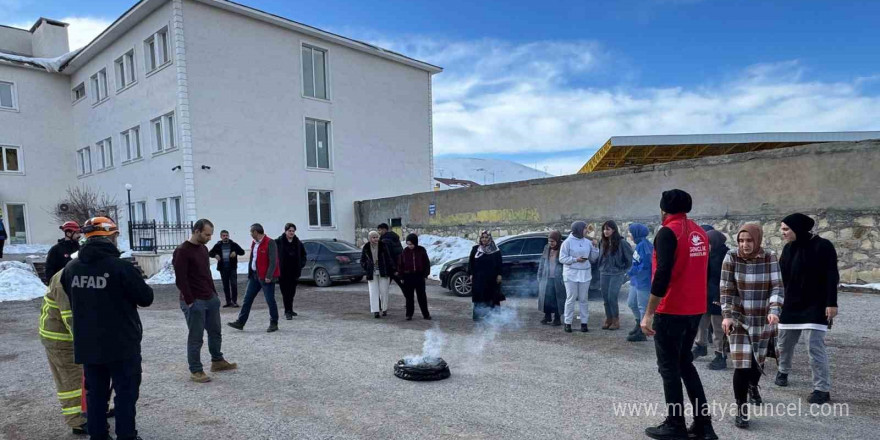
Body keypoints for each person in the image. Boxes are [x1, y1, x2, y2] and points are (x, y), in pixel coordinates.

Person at [61, 217, 154, 440]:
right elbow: (146, 298)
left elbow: (69, 294)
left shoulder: (71, 268)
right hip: (121, 342)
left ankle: (98, 435)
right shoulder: (120, 267)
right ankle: (126, 435)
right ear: (110, 236)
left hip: (88, 342)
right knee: (125, 392)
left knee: (95, 394)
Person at [641, 190, 717, 440]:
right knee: (684, 363)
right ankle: (704, 425)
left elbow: (662, 273)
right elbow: (704, 271)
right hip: (695, 308)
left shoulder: (667, 232)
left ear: (663, 209)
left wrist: (649, 313)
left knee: (669, 368)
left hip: (671, 308)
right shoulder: (700, 232)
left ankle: (675, 424)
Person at [720, 223, 784, 429]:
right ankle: (741, 409)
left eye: (749, 240)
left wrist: (774, 310)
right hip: (738, 318)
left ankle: (753, 386)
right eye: (741, 240)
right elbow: (726, 288)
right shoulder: (731, 257)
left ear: (758, 240)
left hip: (763, 318)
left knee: (758, 360)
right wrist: (727, 315)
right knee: (741, 364)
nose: (745, 245)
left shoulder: (769, 257)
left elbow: (777, 286)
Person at [775, 213, 839, 405]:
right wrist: (776, 302)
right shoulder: (788, 249)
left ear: (798, 229)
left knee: (815, 347)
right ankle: (783, 371)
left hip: (816, 306)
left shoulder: (823, 246)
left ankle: (822, 389)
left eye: (786, 229)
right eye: (782, 229)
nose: (783, 233)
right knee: (784, 344)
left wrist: (831, 303)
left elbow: (831, 275)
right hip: (791, 305)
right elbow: (781, 277)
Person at [173, 219, 237, 383]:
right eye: (207, 234)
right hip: (194, 301)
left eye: (210, 234)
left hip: (210, 298)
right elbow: (181, 279)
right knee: (196, 337)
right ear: (196, 231)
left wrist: (214, 295)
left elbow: (206, 273)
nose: (209, 237)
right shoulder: (182, 251)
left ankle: (217, 361)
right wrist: (189, 300)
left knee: (215, 332)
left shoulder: (203, 249)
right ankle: (196, 370)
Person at [39, 269, 87, 435]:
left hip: (63, 335)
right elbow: (69, 316)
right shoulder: (65, 279)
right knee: (71, 380)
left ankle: (90, 409)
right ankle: (77, 421)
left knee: (82, 376)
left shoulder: (74, 273)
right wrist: (86, 345)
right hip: (60, 339)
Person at [228, 223, 281, 333]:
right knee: (247, 299)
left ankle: (274, 323)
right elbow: (253, 258)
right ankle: (240, 322)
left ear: (256, 232)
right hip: (254, 276)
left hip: (265, 277)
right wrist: (250, 273)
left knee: (270, 300)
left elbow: (273, 261)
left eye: (251, 232)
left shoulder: (270, 242)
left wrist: (269, 276)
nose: (250, 234)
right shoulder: (254, 243)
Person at [559, 222, 599, 333]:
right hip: (571, 274)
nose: (586, 230)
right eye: (584, 228)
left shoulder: (588, 242)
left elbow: (593, 258)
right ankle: (568, 323)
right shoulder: (567, 243)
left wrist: (595, 247)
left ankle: (584, 323)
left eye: (587, 228)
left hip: (585, 274)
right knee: (571, 298)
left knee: (583, 299)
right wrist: (575, 259)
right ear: (578, 229)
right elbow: (562, 259)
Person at [597, 220, 633, 330]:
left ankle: (615, 320)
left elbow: (630, 259)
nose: (605, 231)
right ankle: (608, 319)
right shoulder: (602, 242)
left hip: (617, 274)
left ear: (614, 230)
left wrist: (624, 270)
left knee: (612, 297)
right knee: (605, 298)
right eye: (604, 229)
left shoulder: (622, 243)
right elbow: (600, 256)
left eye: (608, 229)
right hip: (604, 273)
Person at [468, 230, 504, 321]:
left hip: (491, 278)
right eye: (482, 237)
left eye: (486, 237)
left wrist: (499, 274)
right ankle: (478, 316)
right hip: (478, 278)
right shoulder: (475, 249)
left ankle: (492, 316)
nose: (484, 239)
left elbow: (499, 263)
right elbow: (471, 263)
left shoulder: (495, 250)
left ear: (490, 238)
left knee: (491, 296)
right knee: (478, 297)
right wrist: (471, 274)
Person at [626, 223, 653, 342]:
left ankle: (642, 332)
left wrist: (633, 272)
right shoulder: (639, 245)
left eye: (631, 232)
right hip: (635, 280)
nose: (629, 235)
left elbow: (644, 265)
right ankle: (638, 324)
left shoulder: (645, 246)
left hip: (643, 281)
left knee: (642, 307)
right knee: (631, 303)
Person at [396, 233, 432, 320]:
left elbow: (426, 263)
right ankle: (409, 314)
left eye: (411, 244)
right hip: (408, 277)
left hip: (419, 276)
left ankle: (425, 314)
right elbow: (400, 265)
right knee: (409, 297)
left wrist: (425, 275)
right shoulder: (404, 252)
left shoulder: (421, 250)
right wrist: (401, 277)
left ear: (415, 243)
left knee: (422, 297)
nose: (410, 246)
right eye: (408, 244)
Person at [361, 230, 396, 318]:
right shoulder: (366, 247)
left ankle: (384, 309)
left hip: (383, 271)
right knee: (373, 292)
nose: (376, 239)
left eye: (377, 237)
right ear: (370, 238)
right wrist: (367, 267)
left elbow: (388, 258)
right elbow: (362, 260)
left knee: (384, 291)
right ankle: (375, 311)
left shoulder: (383, 245)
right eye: (373, 237)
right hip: (371, 272)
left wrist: (390, 269)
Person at [276, 223, 307, 320]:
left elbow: (303, 255)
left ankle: (290, 309)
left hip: (294, 272)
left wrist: (301, 265)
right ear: (285, 231)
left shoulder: (298, 243)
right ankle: (287, 311)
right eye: (290, 231)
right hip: (283, 272)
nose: (291, 233)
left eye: (293, 231)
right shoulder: (279, 242)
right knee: (286, 293)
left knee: (292, 292)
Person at [209, 230, 245, 307]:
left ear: (228, 236)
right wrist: (215, 255)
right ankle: (228, 301)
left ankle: (234, 301)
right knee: (225, 285)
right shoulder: (218, 245)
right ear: (221, 237)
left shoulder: (233, 244)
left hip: (232, 268)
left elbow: (242, 252)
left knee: (234, 284)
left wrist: (235, 252)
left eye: (227, 235)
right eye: (224, 236)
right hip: (223, 268)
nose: (225, 237)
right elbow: (210, 253)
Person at [537, 231, 566, 326]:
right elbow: (542, 262)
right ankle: (547, 316)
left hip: (558, 278)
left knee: (558, 299)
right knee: (546, 298)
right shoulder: (547, 248)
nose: (551, 243)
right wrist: (539, 275)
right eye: (549, 241)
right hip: (547, 277)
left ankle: (557, 318)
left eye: (553, 241)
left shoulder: (563, 248)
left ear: (557, 240)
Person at [378, 223, 405, 290]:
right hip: (397, 266)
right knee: (403, 287)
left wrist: (393, 268)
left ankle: (380, 300)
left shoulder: (385, 241)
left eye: (380, 230)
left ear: (384, 230)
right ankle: (410, 299)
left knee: (383, 289)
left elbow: (387, 256)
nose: (379, 232)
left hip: (390, 268)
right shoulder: (395, 238)